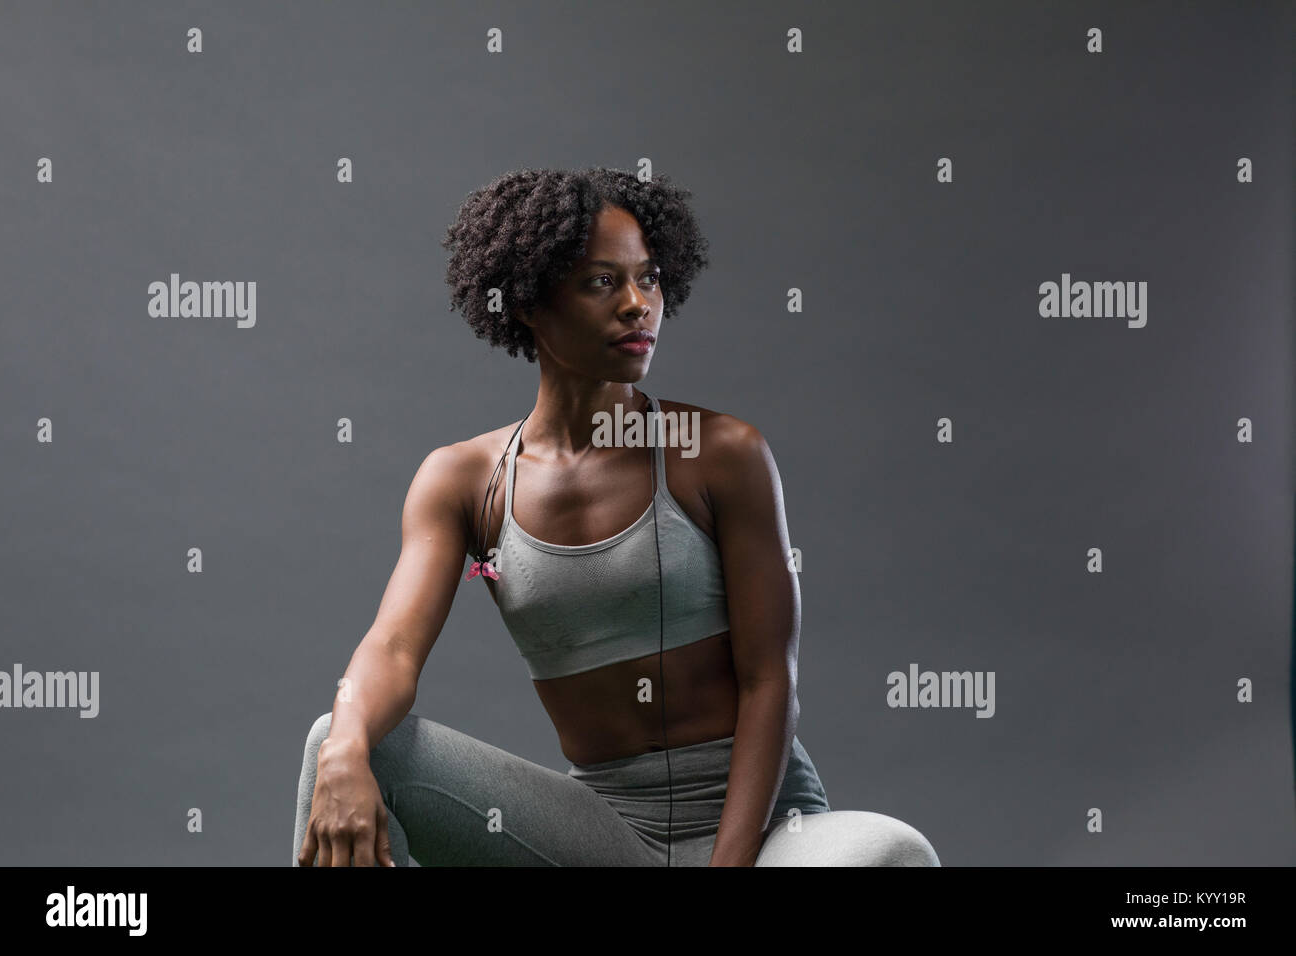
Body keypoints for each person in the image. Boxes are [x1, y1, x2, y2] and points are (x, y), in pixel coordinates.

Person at [292, 167, 940, 867]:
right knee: (340, 742)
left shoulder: (720, 455)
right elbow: (390, 650)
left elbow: (768, 678)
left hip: (768, 836)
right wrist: (348, 748)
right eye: (604, 282)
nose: (640, 305)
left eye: (651, 277)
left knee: (891, 852)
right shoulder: (465, 482)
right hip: (607, 835)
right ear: (528, 304)